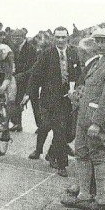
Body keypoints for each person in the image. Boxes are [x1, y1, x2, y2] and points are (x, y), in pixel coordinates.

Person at [60, 28, 105, 210]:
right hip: (84, 118)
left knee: (99, 158)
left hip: (97, 121)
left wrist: (97, 123)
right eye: (97, 41)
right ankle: (84, 195)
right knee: (82, 154)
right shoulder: (100, 60)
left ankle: (100, 200)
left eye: (104, 41)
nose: (100, 44)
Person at [21, 27, 81, 177]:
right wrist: (28, 94)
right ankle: (45, 153)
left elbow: (79, 74)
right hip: (49, 98)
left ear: (68, 38)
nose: (60, 40)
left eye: (63, 37)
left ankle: (55, 158)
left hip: (67, 98)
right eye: (58, 37)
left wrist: (77, 90)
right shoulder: (46, 54)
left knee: (61, 130)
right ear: (54, 38)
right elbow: (35, 75)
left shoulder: (74, 53)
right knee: (46, 126)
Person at [11, 28, 38, 132]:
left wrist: (23, 75)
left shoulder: (31, 49)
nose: (14, 40)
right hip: (18, 78)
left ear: (22, 38)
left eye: (16, 38)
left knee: (35, 102)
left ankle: (40, 126)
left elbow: (33, 67)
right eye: (13, 37)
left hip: (31, 79)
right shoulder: (14, 48)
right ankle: (17, 123)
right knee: (17, 100)